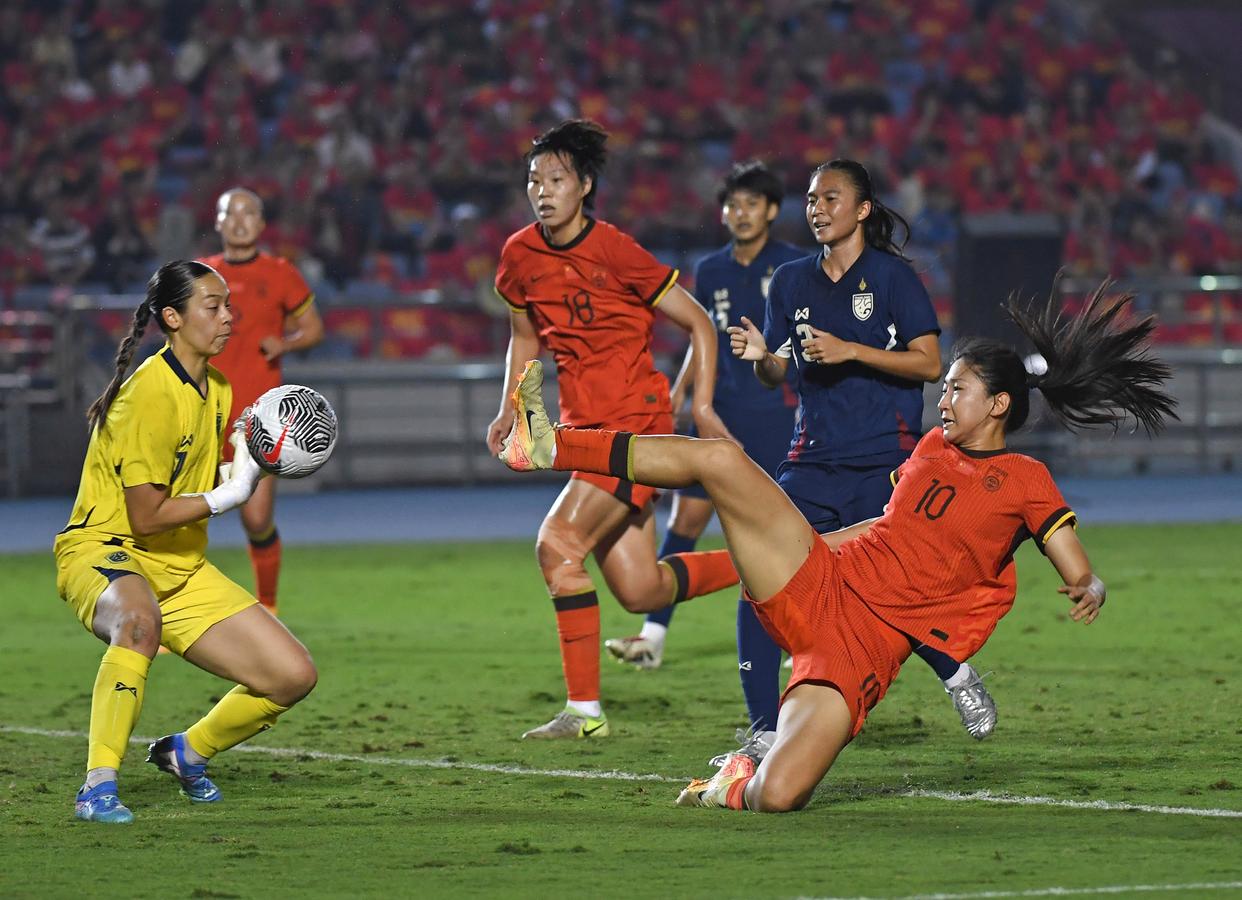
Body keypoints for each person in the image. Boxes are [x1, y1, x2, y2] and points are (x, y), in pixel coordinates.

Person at [498, 282, 1175, 812]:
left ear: (998, 405)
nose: (942, 402)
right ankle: (553, 442)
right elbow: (890, 527)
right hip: (820, 578)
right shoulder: (935, 447)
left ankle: (731, 783)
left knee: (780, 795)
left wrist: (1089, 583)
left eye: (957, 390)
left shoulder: (1027, 479)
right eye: (942, 390)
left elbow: (1068, 551)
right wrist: (805, 541)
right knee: (721, 463)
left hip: (858, 653)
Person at [717, 158, 999, 760]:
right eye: (812, 199)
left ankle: (956, 674)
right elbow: (776, 374)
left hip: (884, 459)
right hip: (810, 460)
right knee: (758, 580)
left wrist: (850, 350)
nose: (816, 208)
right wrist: (763, 357)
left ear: (863, 209)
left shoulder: (893, 279)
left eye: (831, 198)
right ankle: (764, 731)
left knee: (889, 588)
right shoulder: (790, 281)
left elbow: (929, 362)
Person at [485, 119, 737, 740]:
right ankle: (761, 565)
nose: (542, 190)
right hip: (584, 431)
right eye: (534, 180)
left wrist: (699, 405)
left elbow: (700, 324)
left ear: (585, 185)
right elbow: (525, 338)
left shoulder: (617, 249)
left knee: (556, 546)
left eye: (557, 179)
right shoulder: (519, 256)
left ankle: (584, 712)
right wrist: (509, 406)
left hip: (634, 429)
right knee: (641, 589)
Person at [56, 260, 318, 823]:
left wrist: (245, 462)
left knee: (292, 676)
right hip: (104, 549)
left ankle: (186, 752)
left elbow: (195, 485)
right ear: (172, 317)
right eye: (213, 306)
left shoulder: (217, 388)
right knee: (138, 623)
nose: (229, 317)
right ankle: (97, 786)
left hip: (178, 565)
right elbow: (146, 517)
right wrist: (233, 494)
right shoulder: (150, 393)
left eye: (229, 305)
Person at [605, 161, 805, 744]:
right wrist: (681, 391)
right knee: (687, 516)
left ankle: (801, 635)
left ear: (770, 210)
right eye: (732, 205)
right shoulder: (709, 267)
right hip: (720, 410)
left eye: (750, 204)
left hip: (777, 412)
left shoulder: (791, 265)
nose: (739, 213)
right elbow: (703, 337)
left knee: (789, 524)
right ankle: (654, 636)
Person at [201, 187, 325, 615]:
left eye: (248, 213)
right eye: (229, 212)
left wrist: (285, 344)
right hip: (201, 416)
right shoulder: (200, 275)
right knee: (178, 525)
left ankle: (268, 606)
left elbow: (313, 329)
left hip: (258, 422)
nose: (238, 220)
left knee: (255, 520)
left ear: (261, 223)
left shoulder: (281, 272)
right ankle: (170, 616)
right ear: (217, 221)